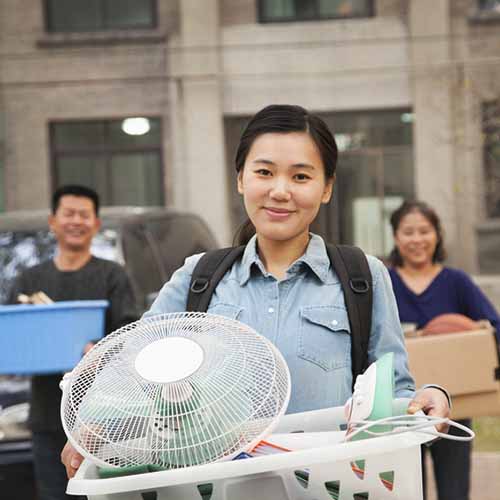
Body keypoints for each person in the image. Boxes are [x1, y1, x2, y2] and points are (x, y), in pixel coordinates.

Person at [62, 104, 451, 478]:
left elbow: (395, 391)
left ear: (327, 187)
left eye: (301, 177)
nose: (280, 191)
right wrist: (93, 427)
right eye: (264, 172)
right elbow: (134, 367)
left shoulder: (362, 277)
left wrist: (428, 399)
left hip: (328, 488)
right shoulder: (198, 277)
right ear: (241, 179)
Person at [8, 185, 138, 500]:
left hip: (104, 417)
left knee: (105, 494)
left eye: (84, 215)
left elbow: (130, 335)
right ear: (53, 221)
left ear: (95, 224)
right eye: (68, 214)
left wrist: (99, 351)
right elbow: (16, 335)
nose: (76, 221)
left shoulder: (113, 275)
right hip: (46, 414)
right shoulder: (29, 280)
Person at [388, 199, 500, 500]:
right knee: (409, 492)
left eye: (424, 231)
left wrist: (474, 337)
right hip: (402, 409)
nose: (416, 240)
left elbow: (494, 328)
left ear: (437, 235)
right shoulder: (383, 281)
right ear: (396, 237)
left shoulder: (456, 282)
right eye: (408, 232)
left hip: (453, 405)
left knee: (455, 492)